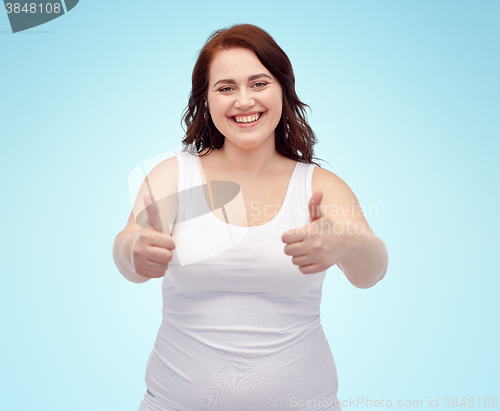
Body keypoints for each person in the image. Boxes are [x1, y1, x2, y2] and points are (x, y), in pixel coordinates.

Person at [113, 24, 388, 411]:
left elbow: (371, 272)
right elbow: (129, 247)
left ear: (283, 90)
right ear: (205, 100)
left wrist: (348, 243)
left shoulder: (320, 186)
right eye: (226, 88)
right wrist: (134, 251)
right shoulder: (175, 176)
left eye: (259, 83)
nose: (244, 101)